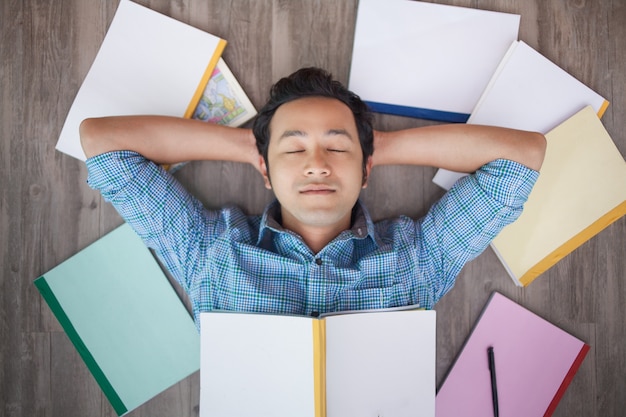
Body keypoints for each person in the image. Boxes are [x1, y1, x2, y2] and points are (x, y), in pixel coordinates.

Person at [80, 67, 545, 325]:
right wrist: (255, 149)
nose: (317, 163)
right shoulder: (211, 254)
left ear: (365, 169)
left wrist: (376, 148)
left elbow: (522, 157)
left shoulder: (415, 261)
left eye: (337, 146)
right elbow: (101, 143)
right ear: (265, 169)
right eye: (296, 148)